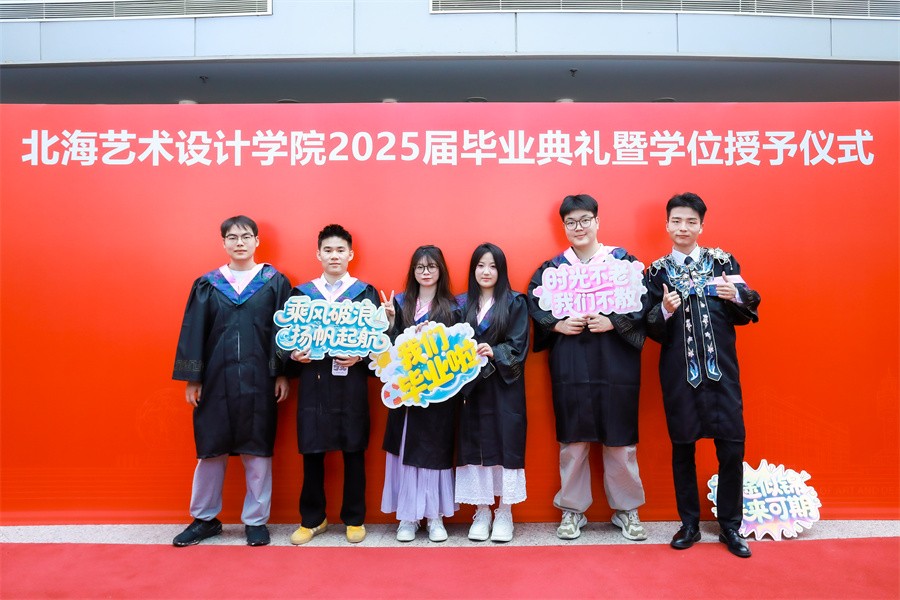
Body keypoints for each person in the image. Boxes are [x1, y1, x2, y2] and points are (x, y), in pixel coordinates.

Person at [526, 194, 649, 542]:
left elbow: (644, 302)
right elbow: (535, 305)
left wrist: (615, 322)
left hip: (615, 362)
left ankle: (626, 509)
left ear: (597, 221)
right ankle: (572, 510)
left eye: (584, 220)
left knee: (620, 439)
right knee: (574, 440)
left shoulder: (622, 262)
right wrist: (556, 325)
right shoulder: (553, 271)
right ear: (563, 227)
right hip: (571, 362)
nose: (578, 227)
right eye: (571, 222)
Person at [645, 192, 761, 559]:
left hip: (721, 371)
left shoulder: (722, 262)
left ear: (701, 226)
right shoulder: (656, 272)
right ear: (667, 225)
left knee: (732, 447)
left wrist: (735, 295)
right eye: (677, 221)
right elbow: (646, 325)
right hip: (680, 374)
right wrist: (664, 310)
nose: (683, 227)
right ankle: (689, 524)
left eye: (690, 221)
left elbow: (750, 306)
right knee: (683, 447)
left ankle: (730, 525)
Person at [172, 215, 292, 547]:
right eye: (233, 237)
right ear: (223, 242)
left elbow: (284, 331)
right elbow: (194, 331)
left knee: (258, 449)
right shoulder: (208, 284)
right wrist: (193, 378)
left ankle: (256, 520)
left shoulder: (274, 282)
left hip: (260, 378)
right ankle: (204, 518)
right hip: (215, 378)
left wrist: (282, 372)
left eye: (246, 236)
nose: (240, 243)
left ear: (257, 241)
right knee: (211, 448)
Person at [286, 224, 379, 545]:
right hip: (314, 383)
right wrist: (293, 355)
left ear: (351, 254)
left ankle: (354, 518)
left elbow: (380, 342)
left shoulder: (365, 293)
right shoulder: (302, 295)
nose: (334, 256)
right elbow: (284, 338)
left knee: (354, 451)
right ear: (318, 254)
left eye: (340, 250)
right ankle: (313, 519)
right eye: (328, 250)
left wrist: (361, 356)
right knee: (312, 452)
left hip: (350, 384)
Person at [380, 245, 459, 542]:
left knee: (434, 451)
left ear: (441, 270)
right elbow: (385, 353)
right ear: (413, 271)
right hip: (406, 395)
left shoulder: (453, 307)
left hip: (437, 395)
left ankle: (435, 516)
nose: (426, 272)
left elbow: (459, 352)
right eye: (420, 267)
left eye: (431, 266)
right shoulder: (400, 303)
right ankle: (408, 517)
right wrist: (390, 324)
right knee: (405, 451)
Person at [455, 243, 529, 543]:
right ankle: (482, 510)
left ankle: (505, 512)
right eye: (481, 265)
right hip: (470, 389)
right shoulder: (460, 305)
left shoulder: (515, 302)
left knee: (506, 442)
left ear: (502, 270)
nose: (486, 272)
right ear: (473, 269)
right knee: (475, 445)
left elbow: (518, 346)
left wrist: (494, 351)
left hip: (503, 387)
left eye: (493, 266)